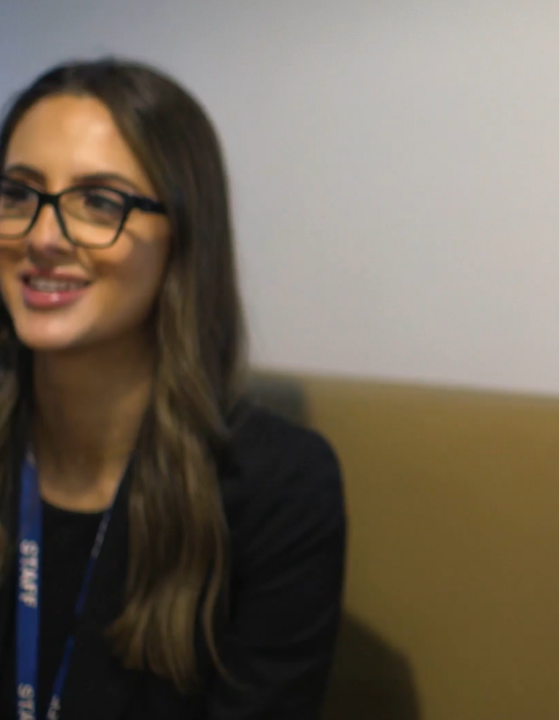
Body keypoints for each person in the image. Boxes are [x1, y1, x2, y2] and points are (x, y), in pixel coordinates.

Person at [0, 60, 346, 719]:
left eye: (100, 202)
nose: (44, 236)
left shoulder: (277, 488)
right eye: (17, 194)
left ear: (184, 237)